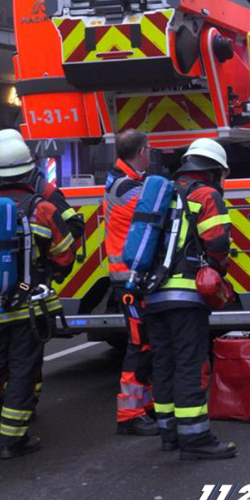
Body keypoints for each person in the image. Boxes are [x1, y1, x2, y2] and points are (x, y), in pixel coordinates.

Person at [0, 138, 74, 460]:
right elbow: (65, 256)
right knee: (23, 371)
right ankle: (13, 440)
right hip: (28, 306)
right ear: (29, 173)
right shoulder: (44, 210)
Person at [143, 138, 236, 460]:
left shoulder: (162, 194)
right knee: (189, 364)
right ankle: (195, 438)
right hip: (186, 297)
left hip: (152, 296)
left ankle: (169, 433)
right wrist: (218, 268)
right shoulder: (205, 195)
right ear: (212, 170)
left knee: (164, 363)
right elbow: (218, 243)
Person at [103, 129, 157, 436]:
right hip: (130, 282)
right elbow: (155, 214)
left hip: (130, 280)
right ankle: (130, 414)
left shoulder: (122, 181)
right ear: (141, 152)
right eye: (148, 149)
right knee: (139, 345)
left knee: (146, 344)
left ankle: (143, 405)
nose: (150, 154)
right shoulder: (129, 188)